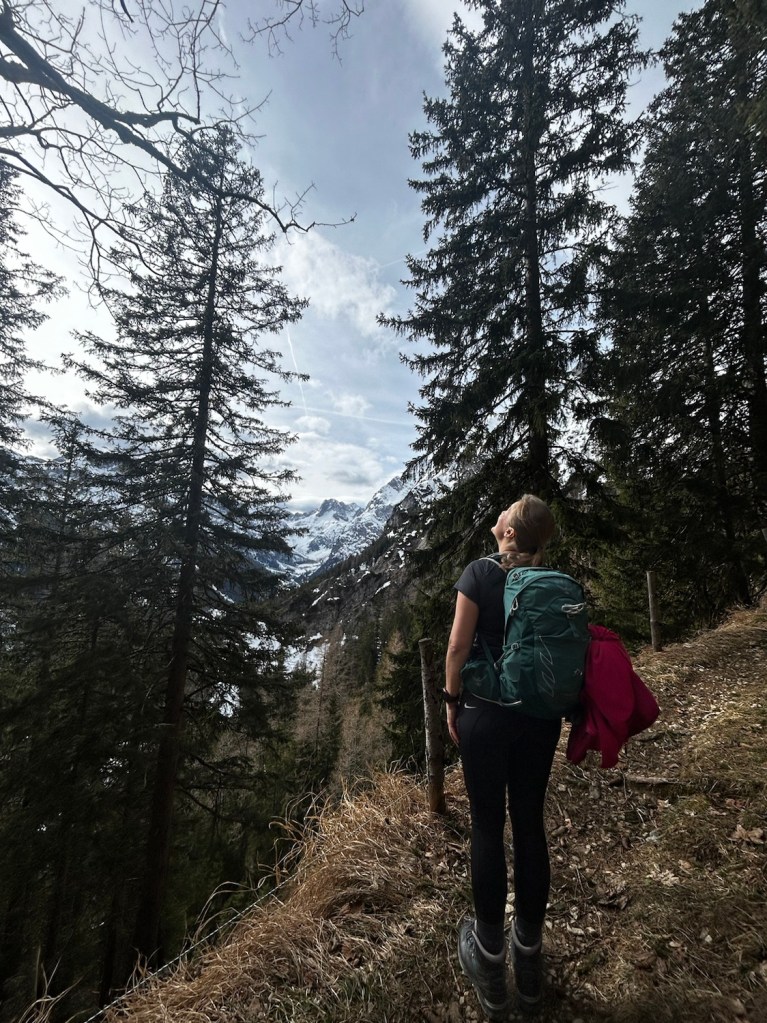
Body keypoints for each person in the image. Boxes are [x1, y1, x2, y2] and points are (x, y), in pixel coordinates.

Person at [443, 494, 560, 1019]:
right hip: (538, 720)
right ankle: (529, 965)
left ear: (510, 532)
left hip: (486, 717)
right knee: (529, 824)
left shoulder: (480, 573)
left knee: (488, 827)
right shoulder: (549, 580)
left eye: (506, 512)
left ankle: (490, 966)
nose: (498, 514)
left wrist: (451, 702)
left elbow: (456, 648)